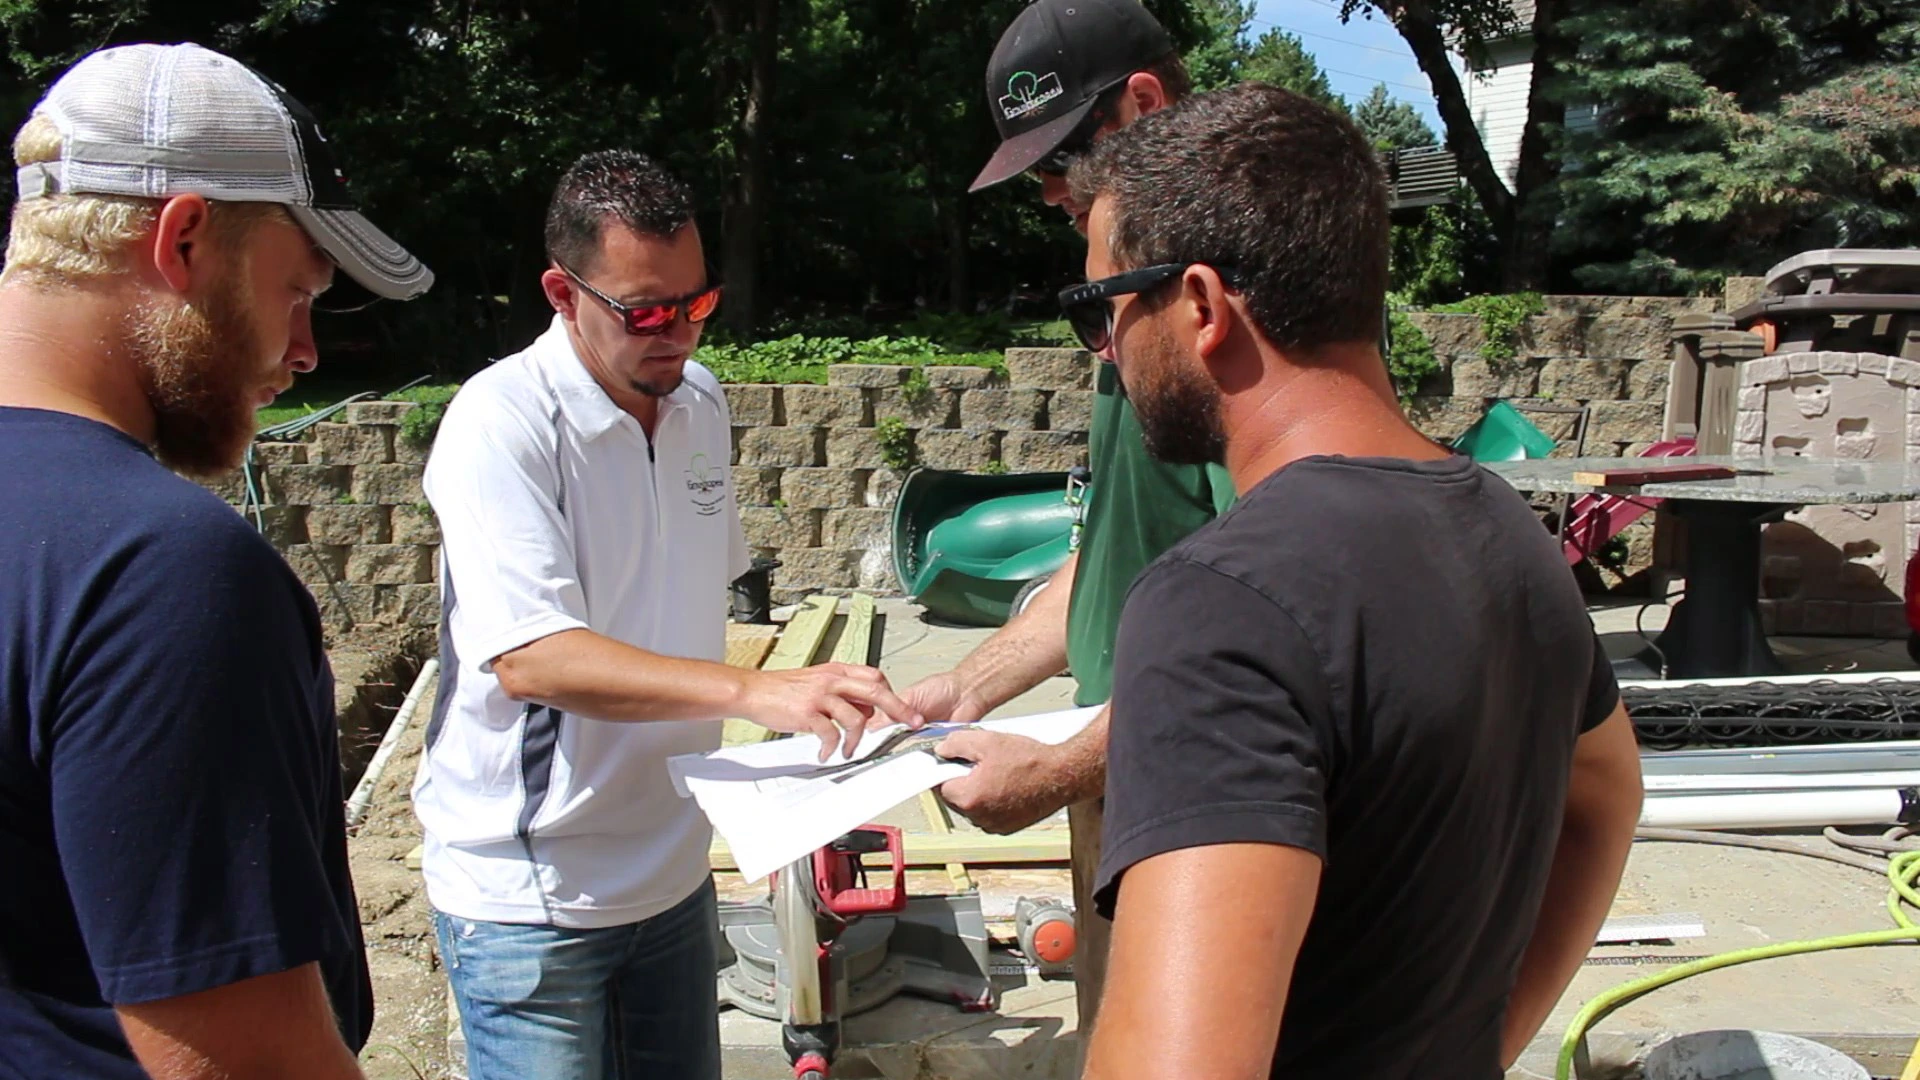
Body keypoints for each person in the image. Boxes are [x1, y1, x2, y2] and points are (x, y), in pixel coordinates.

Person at [1064, 82, 1645, 1078]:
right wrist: (1485, 1044)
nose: (1107, 351)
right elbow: (1609, 796)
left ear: (1201, 305)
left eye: (1104, 309)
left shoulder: (1220, 605)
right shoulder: (1505, 528)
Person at [412, 149, 920, 1080]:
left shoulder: (699, 403)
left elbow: (674, 614)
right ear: (563, 296)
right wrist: (760, 693)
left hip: (673, 876)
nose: (678, 333)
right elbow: (534, 659)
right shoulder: (501, 424)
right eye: (645, 310)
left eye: (698, 303)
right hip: (533, 897)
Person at [0, 41, 432, 1080]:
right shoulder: (158, 574)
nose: (307, 350)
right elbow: (246, 1062)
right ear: (185, 237)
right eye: (299, 290)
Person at [910, 0, 1233, 1031]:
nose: (1047, 193)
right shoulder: (1128, 302)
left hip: (1208, 806)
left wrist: (1057, 767)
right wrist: (960, 688)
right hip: (1124, 776)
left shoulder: (1227, 321)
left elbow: (1277, 634)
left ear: (1143, 105)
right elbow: (1105, 574)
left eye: (1060, 161)